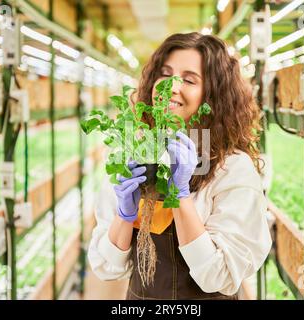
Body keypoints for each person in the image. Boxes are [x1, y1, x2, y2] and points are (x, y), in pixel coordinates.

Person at [88, 32, 272, 300]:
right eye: (165, 74)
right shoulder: (133, 156)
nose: (171, 86)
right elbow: (107, 268)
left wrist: (181, 196)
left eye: (189, 79)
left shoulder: (232, 168)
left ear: (212, 95)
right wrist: (123, 216)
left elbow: (219, 276)